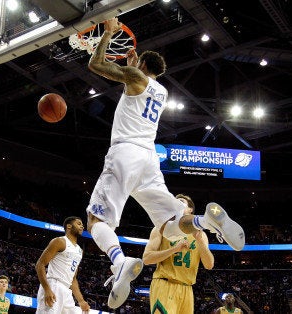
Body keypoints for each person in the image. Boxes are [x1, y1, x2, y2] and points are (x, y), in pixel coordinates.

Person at [86, 17, 245, 309]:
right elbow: (136, 82)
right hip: (148, 158)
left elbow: (96, 66)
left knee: (97, 220)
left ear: (143, 68)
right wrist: (133, 62)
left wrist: (107, 34)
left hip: (126, 152)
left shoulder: (137, 79)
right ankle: (203, 221)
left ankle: (119, 262)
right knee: (169, 224)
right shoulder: (161, 91)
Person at [143, 194, 214, 313]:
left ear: (190, 209)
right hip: (165, 284)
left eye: (181, 201)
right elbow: (146, 259)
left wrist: (200, 241)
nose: (176, 203)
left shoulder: (201, 235)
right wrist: (173, 249)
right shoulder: (161, 228)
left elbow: (209, 265)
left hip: (187, 289)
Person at [35, 216, 90, 314]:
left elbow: (73, 278)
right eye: (78, 223)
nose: (82, 226)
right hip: (54, 285)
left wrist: (81, 301)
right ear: (69, 226)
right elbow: (40, 264)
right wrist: (47, 289)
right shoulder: (60, 241)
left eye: (82, 225)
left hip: (67, 290)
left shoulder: (79, 251)